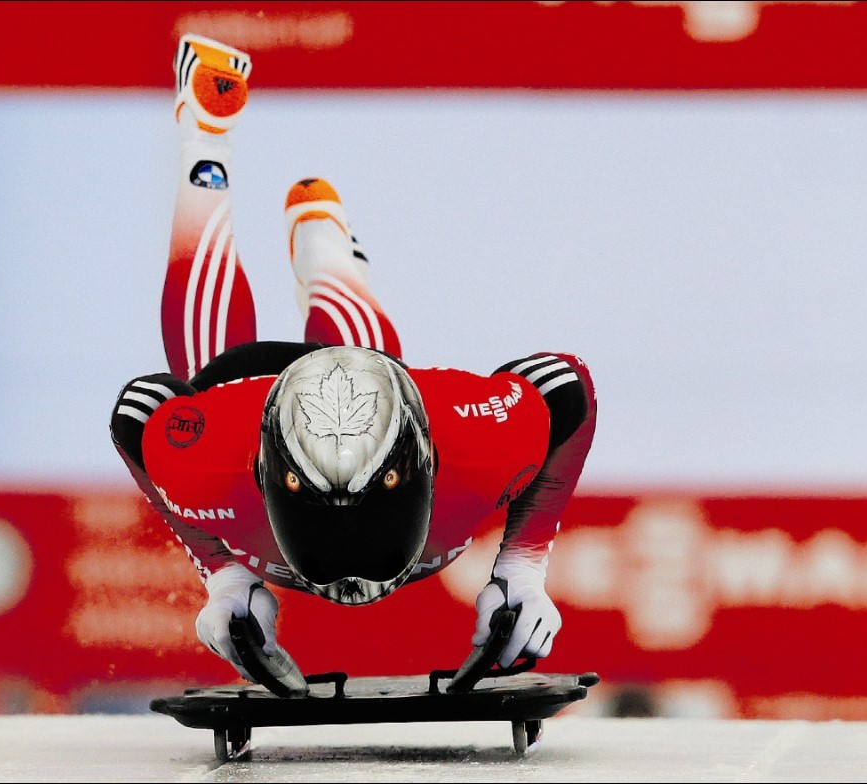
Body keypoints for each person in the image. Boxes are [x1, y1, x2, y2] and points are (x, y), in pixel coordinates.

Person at [110, 34, 597, 682]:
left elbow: (566, 386)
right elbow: (140, 416)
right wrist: (222, 577)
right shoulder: (208, 455)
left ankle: (322, 248)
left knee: (355, 359)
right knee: (212, 370)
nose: (351, 586)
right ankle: (216, 146)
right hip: (246, 391)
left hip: (362, 397)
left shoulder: (480, 439)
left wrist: (522, 569)